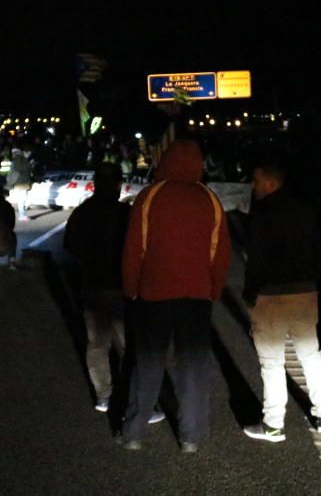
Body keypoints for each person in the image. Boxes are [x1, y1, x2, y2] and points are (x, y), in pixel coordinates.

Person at [120, 140, 231, 453]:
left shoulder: (150, 196)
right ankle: (191, 437)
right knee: (193, 367)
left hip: (154, 294)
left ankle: (134, 433)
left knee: (147, 364)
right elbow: (220, 252)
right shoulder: (209, 199)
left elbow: (134, 249)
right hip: (196, 297)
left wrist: (132, 287)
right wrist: (213, 289)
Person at [242, 158, 321, 443]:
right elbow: (318, 249)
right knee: (310, 353)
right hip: (305, 291)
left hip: (271, 294)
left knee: (272, 361)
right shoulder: (305, 209)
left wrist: (250, 293)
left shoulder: (263, 213)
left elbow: (256, 258)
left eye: (256, 181)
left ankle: (273, 424)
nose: (252, 186)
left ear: (270, 182)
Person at [64, 163, 129, 412]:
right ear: (118, 185)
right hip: (122, 285)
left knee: (98, 344)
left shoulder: (83, 212)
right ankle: (133, 395)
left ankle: (104, 395)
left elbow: (70, 246)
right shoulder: (126, 213)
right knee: (128, 344)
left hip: (92, 284)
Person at [7, 147, 32, 220]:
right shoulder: (19, 160)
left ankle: (22, 214)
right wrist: (29, 164)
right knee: (22, 198)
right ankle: (22, 215)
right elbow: (19, 170)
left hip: (20, 182)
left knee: (22, 198)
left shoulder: (16, 160)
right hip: (21, 182)